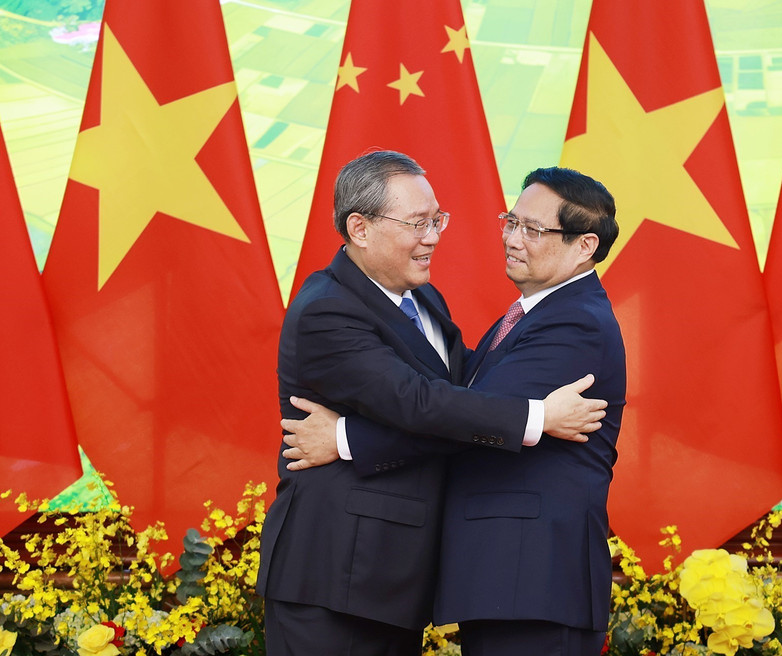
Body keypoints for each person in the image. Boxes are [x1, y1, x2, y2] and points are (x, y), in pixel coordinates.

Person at [256, 151, 607, 656]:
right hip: (335, 576)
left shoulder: (423, 299)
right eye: (418, 222)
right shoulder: (327, 310)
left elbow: (467, 391)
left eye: (437, 219)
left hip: (391, 582)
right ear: (360, 228)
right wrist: (537, 417)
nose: (434, 236)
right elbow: (419, 403)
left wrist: (344, 439)